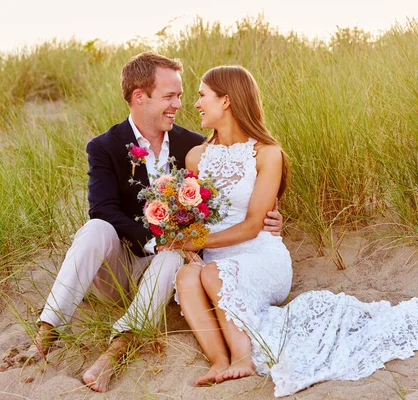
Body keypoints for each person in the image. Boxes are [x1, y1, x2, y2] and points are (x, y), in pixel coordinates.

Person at [1, 52, 282, 393]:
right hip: (121, 267)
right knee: (95, 229)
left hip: (168, 268)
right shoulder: (104, 146)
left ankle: (119, 346)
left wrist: (273, 218)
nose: (179, 104)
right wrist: (153, 239)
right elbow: (103, 209)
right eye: (169, 96)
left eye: (181, 95)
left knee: (172, 257)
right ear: (139, 97)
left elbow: (231, 192)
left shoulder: (194, 145)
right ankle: (47, 330)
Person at [171, 65, 418, 397]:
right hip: (214, 255)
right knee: (187, 277)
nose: (196, 104)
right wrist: (184, 241)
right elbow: (194, 217)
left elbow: (254, 224)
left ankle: (243, 358)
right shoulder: (196, 156)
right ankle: (218, 361)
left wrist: (196, 240)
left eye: (202, 96)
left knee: (213, 274)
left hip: (259, 255)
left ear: (226, 100)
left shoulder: (267, 154)